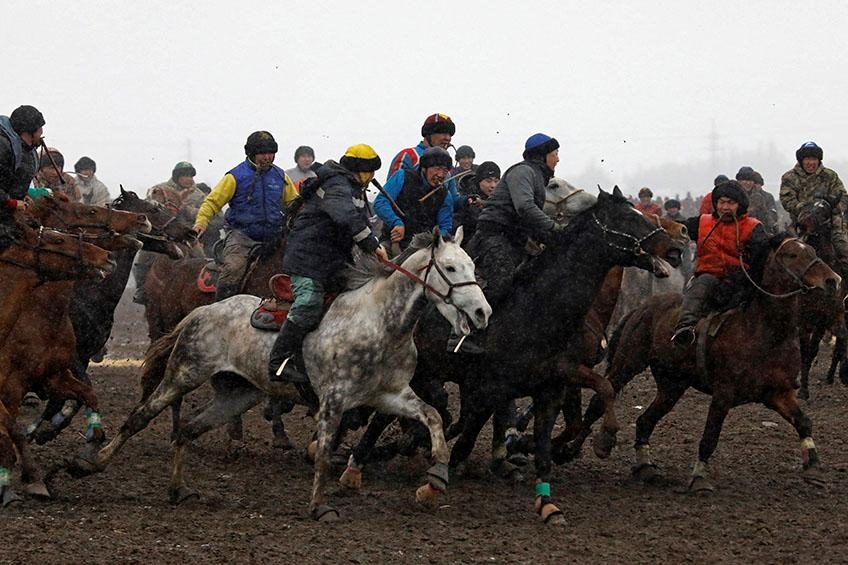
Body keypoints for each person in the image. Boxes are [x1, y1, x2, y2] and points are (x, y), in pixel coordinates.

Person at [268, 144, 388, 383]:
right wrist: (373, 245)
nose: (373, 176)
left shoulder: (353, 189)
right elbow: (345, 217)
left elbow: (361, 221)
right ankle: (278, 361)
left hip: (334, 261)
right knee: (309, 302)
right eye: (370, 170)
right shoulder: (337, 185)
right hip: (308, 259)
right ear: (360, 169)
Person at [458, 133, 562, 353]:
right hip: (494, 235)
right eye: (555, 154)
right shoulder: (524, 171)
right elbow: (524, 208)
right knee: (503, 282)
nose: (558, 159)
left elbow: (529, 220)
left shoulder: (537, 177)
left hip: (514, 238)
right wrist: (554, 229)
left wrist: (551, 239)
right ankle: (464, 334)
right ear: (543, 155)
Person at [193, 131, 298, 301]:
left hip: (276, 237)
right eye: (262, 153)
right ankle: (221, 309)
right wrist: (201, 223)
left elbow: (294, 204)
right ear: (251, 153)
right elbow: (212, 202)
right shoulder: (235, 176)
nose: (267, 157)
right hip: (242, 237)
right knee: (233, 269)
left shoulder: (280, 176)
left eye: (271, 153)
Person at [671, 180, 767, 347]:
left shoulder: (753, 227)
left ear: (740, 205)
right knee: (701, 287)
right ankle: (684, 329)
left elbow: (762, 256)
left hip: (741, 278)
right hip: (710, 275)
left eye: (731, 203)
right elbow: (676, 229)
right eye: (721, 202)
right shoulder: (702, 222)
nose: (725, 207)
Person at [131, 161, 206, 304]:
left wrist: (184, 208)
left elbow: (202, 213)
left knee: (200, 258)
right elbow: (148, 206)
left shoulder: (199, 195)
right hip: (162, 233)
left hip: (186, 234)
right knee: (145, 256)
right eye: (185, 175)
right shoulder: (160, 190)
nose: (189, 179)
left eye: (191, 176)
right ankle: (141, 289)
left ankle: (200, 290)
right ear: (177, 177)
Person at [780, 141, 848, 272]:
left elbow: (843, 197)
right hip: (801, 225)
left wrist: (828, 207)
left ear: (818, 160)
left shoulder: (830, 176)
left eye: (813, 159)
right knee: (786, 253)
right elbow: (786, 200)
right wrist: (807, 209)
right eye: (807, 159)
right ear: (801, 160)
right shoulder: (789, 177)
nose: (810, 163)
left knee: (843, 249)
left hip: (831, 224)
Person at [374, 146, 455, 250]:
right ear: (424, 168)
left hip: (425, 248)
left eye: (445, 171)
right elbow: (380, 202)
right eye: (437, 169)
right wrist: (396, 223)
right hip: (393, 241)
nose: (440, 174)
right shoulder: (402, 176)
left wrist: (440, 241)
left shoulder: (445, 194)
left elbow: (445, 225)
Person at [0, 105, 44, 217]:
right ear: (28, 131)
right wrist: (10, 203)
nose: (41, 132)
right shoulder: (3, 147)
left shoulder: (25, 150)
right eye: (39, 128)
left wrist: (22, 196)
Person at [386, 113, 455, 179]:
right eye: (442, 133)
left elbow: (452, 190)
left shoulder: (448, 163)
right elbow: (390, 188)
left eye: (450, 134)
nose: (447, 138)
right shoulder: (408, 155)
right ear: (428, 134)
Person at [454, 160, 500, 242]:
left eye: (496, 181)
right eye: (488, 181)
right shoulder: (466, 200)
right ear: (478, 181)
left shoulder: (501, 200)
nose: (493, 185)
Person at [736, 166, 778, 234]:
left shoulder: (761, 197)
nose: (748, 183)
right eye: (744, 180)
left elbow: (770, 216)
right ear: (739, 181)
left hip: (759, 231)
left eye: (750, 180)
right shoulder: (733, 195)